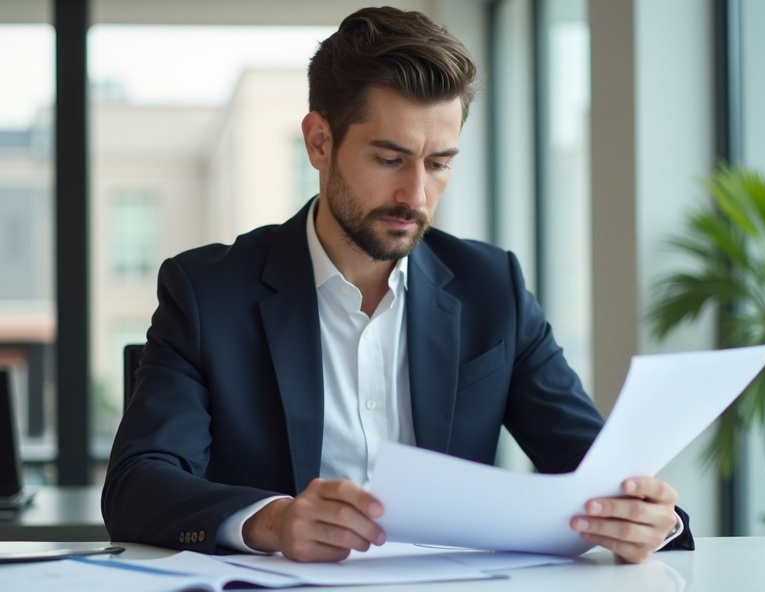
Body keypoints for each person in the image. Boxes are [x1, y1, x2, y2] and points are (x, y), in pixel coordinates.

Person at [102, 6, 694, 564]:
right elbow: (137, 485)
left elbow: (597, 473)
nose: (416, 195)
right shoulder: (208, 292)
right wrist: (273, 522)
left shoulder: (494, 290)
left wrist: (649, 520)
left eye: (439, 164)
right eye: (389, 159)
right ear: (319, 142)